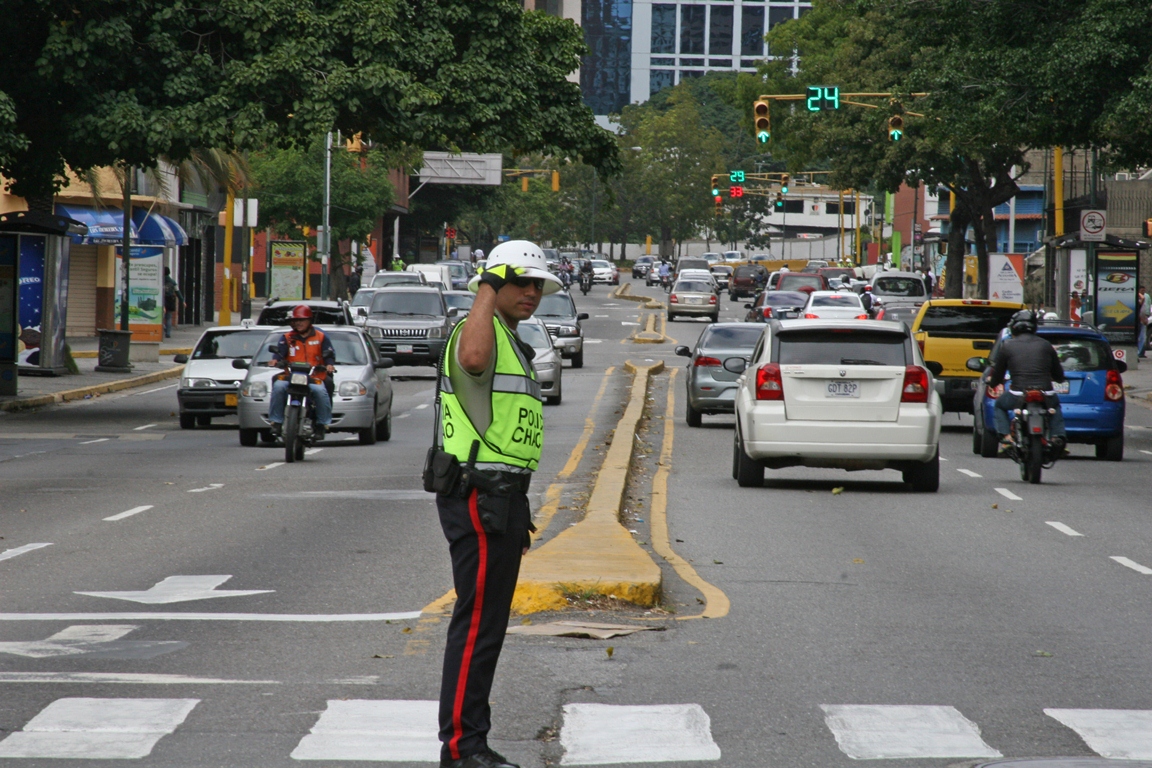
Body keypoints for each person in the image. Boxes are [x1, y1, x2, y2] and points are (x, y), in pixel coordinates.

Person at [435, 241, 561, 768]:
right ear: (493, 285)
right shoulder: (478, 331)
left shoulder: (511, 338)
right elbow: (472, 359)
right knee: (478, 625)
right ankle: (463, 748)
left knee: (487, 625)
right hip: (479, 495)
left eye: (537, 285)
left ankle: (468, 744)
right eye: (520, 282)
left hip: (502, 499)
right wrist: (485, 284)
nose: (532, 292)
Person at [985, 309, 1067, 454]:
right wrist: (1058, 378)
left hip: (1018, 393)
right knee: (1055, 407)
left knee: (999, 405)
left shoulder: (1008, 346)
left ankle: (1007, 438)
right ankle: (1057, 437)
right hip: (1045, 392)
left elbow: (998, 373)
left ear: (1014, 327)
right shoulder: (1045, 345)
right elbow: (1059, 374)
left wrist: (992, 382)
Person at [267, 306, 335, 440]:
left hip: (314, 375)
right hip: (291, 376)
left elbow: (329, 354)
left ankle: (322, 424)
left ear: (310, 321)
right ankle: (276, 422)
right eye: (296, 320)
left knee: (321, 391)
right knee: (279, 387)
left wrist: (329, 365)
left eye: (302, 320)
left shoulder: (321, 336)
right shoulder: (286, 337)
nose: (298, 323)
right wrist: (275, 361)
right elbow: (279, 353)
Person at [163, 267, 184, 339]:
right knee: (168, 317)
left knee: (161, 317)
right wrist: (182, 301)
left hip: (162, 300)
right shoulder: (173, 282)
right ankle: (168, 333)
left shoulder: (159, 280)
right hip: (170, 300)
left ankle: (163, 327)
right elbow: (177, 292)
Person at [1137, 286, 1150, 358]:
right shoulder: (1139, 298)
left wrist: (1146, 317)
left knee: (1143, 337)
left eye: (1144, 291)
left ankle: (1141, 352)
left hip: (1143, 318)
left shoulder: (1146, 296)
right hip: (1139, 319)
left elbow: (1146, 307)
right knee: (1140, 336)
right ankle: (1139, 352)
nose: (1143, 292)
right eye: (1142, 290)